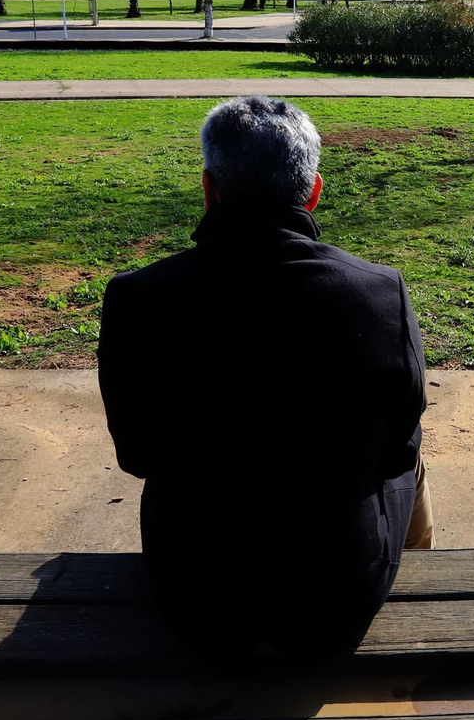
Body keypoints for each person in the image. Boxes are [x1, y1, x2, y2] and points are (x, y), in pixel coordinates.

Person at [98, 95, 432, 664]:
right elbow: (396, 452)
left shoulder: (136, 298)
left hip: (195, 602)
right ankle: (430, 577)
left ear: (209, 189)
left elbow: (138, 455)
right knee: (415, 461)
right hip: (333, 607)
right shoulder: (379, 292)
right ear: (315, 190)